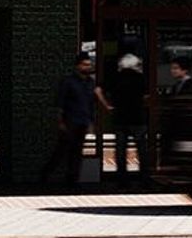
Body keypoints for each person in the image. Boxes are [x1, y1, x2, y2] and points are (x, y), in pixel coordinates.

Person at [39, 52, 110, 188]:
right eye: (85, 65)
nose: (88, 67)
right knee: (62, 150)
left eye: (89, 65)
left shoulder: (90, 83)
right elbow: (60, 102)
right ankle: (46, 175)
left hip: (82, 121)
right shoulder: (68, 82)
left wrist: (90, 121)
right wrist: (60, 121)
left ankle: (72, 180)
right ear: (78, 66)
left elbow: (90, 104)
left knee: (76, 152)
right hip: (70, 120)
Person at [109, 52, 150, 181]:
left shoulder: (116, 78)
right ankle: (144, 177)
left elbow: (102, 91)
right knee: (142, 149)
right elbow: (146, 96)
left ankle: (122, 179)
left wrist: (108, 106)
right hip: (137, 117)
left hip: (120, 118)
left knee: (121, 149)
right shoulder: (140, 78)